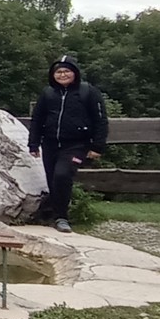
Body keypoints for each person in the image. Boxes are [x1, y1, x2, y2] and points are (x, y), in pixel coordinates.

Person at [28, 55, 108, 234]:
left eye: (67, 71)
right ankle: (52, 213)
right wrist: (33, 144)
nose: (62, 75)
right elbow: (37, 119)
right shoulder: (48, 93)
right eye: (59, 72)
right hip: (50, 144)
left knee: (62, 175)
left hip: (76, 145)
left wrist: (97, 146)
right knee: (52, 179)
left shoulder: (88, 92)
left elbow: (100, 120)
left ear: (75, 73)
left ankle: (62, 217)